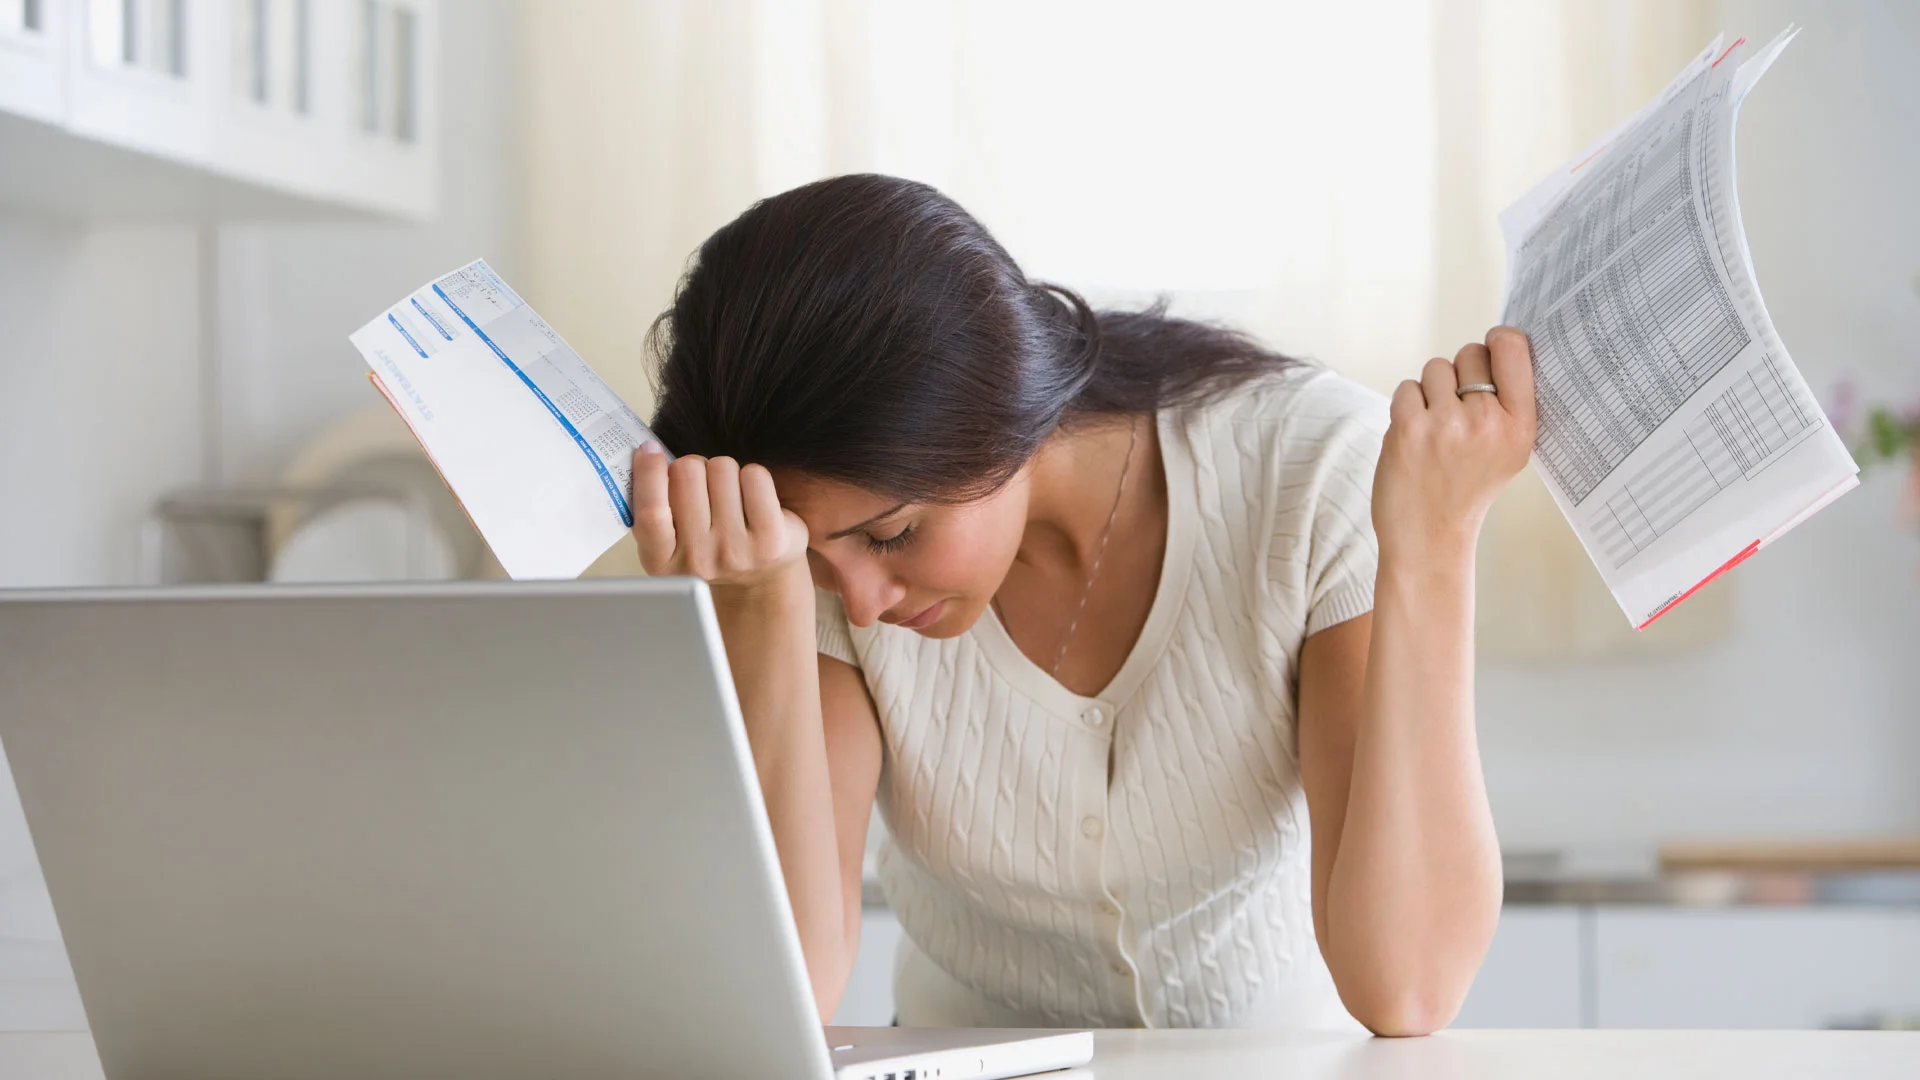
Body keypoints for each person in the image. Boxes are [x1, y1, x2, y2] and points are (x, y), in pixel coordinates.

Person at [627, 173, 1536, 1035]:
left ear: (990, 418)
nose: (861, 604)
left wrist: (1432, 545)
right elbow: (793, 990)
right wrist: (761, 604)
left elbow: (1409, 986)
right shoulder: (819, 564)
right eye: (816, 560)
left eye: (894, 535)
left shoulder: (1308, 473)